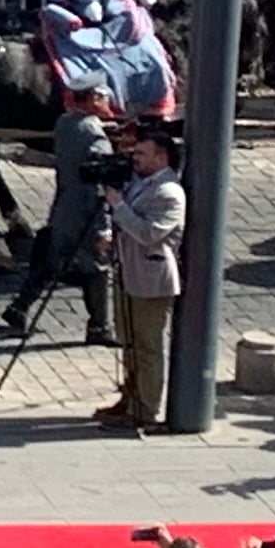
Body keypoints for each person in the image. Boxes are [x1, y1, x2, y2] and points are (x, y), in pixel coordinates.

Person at [96, 128, 191, 433]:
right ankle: (129, 397)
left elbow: (149, 233)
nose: (134, 158)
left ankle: (146, 410)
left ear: (161, 158)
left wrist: (118, 206)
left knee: (148, 347)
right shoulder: (140, 183)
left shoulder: (169, 193)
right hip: (127, 272)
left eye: (141, 153)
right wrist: (112, 236)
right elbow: (129, 225)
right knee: (130, 344)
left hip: (151, 281)